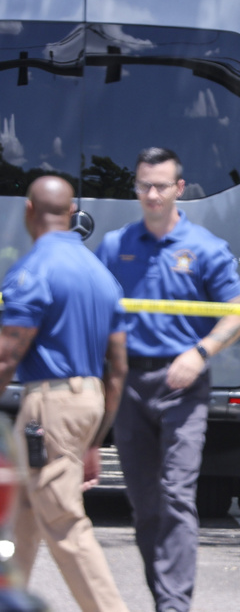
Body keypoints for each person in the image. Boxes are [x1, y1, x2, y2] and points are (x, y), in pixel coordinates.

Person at [96, 147, 240, 612]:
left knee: (177, 495)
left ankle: (173, 604)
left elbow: (239, 313)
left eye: (162, 185)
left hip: (182, 387)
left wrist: (200, 353)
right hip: (130, 386)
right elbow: (97, 313)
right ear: (136, 187)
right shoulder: (114, 245)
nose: (153, 194)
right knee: (144, 504)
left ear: (179, 189)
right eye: (145, 185)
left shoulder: (204, 248)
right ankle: (162, 592)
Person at [0, 176, 129, 612]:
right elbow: (119, 366)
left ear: (29, 212)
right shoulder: (101, 275)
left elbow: (7, 356)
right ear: (73, 213)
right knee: (23, 519)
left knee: (63, 523)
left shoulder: (34, 270)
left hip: (48, 404)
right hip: (87, 398)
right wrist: (94, 435)